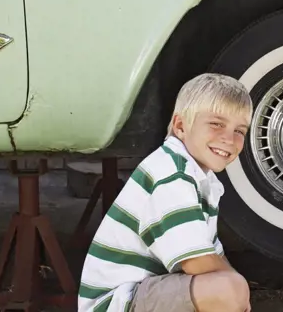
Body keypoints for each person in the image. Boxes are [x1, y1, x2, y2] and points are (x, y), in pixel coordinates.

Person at [78, 73, 253, 312]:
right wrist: (237, 294)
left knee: (230, 288)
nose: (229, 139)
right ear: (181, 126)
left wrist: (239, 294)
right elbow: (195, 261)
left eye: (240, 131)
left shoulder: (199, 178)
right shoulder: (172, 175)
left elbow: (213, 255)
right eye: (216, 124)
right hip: (115, 304)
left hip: (140, 295)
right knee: (226, 291)